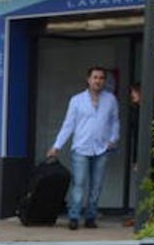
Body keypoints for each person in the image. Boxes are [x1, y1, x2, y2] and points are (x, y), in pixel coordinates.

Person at [48, 66, 120, 230]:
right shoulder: (77, 100)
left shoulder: (111, 100)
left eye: (101, 78)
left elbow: (115, 121)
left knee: (96, 186)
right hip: (81, 147)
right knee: (79, 184)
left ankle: (90, 217)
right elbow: (68, 125)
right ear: (88, 80)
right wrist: (57, 146)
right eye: (95, 77)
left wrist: (113, 138)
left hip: (102, 148)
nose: (98, 81)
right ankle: (74, 217)